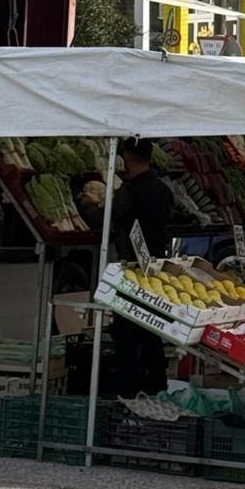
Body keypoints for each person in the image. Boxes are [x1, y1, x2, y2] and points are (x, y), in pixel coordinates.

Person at [84, 138, 175, 398]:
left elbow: (105, 218)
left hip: (132, 268)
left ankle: (128, 390)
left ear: (127, 157)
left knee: (126, 331)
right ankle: (156, 385)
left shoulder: (130, 192)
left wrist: (88, 206)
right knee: (151, 328)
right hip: (155, 266)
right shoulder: (163, 190)